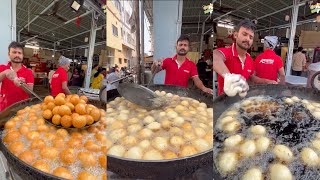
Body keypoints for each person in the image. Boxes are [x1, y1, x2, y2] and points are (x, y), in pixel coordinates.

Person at [212, 19, 270, 97]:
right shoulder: (226, 52)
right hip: (224, 102)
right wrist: (229, 77)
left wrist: (267, 81)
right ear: (235, 35)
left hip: (242, 101)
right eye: (244, 34)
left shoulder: (250, 59)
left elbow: (252, 78)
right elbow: (216, 57)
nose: (248, 39)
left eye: (251, 37)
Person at [0, 41, 34, 112]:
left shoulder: (28, 72)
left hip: (22, 108)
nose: (17, 55)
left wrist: (22, 85)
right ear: (9, 54)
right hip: (5, 108)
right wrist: (4, 73)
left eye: (19, 53)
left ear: (22, 55)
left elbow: (30, 91)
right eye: (14, 52)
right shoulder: (2, 68)